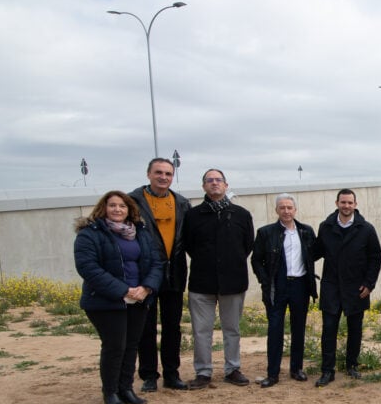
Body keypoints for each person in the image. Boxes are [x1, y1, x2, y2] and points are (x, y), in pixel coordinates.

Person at [74, 191, 164, 404]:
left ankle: (126, 389)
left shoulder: (140, 233)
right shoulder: (90, 234)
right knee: (115, 346)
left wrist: (146, 288)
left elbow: (155, 262)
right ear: (103, 208)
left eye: (122, 206)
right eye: (112, 205)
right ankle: (111, 392)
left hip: (139, 299)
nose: (117, 209)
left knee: (132, 345)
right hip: (106, 302)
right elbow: (89, 268)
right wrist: (124, 290)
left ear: (129, 209)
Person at [181, 169, 255, 389]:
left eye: (218, 180)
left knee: (231, 329)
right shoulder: (193, 216)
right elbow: (189, 245)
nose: (214, 183)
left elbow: (247, 245)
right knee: (201, 331)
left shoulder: (241, 214)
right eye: (209, 181)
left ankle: (232, 369)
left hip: (233, 282)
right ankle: (203, 372)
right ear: (203, 186)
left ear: (226, 185)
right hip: (202, 283)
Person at [129, 158, 190, 391]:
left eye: (168, 173)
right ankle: (149, 375)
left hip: (174, 273)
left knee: (172, 326)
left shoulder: (181, 203)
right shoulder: (133, 201)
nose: (163, 177)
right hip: (144, 274)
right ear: (148, 174)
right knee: (146, 326)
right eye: (158, 173)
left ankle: (172, 374)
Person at [313, 188, 381, 385]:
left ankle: (352, 365)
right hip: (331, 287)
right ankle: (327, 370)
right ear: (337, 204)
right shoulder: (325, 227)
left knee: (355, 330)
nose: (346, 206)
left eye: (350, 203)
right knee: (328, 329)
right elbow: (315, 252)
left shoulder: (366, 229)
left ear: (355, 204)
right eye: (343, 202)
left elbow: (375, 258)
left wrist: (369, 284)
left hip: (357, 289)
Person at [251, 194, 317, 388]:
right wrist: (265, 280)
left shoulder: (306, 231)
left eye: (289, 207)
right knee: (275, 330)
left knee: (298, 329)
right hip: (277, 286)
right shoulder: (266, 232)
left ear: (295, 210)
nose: (286, 211)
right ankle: (272, 374)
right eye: (282, 208)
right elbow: (256, 260)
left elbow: (315, 253)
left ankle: (296, 369)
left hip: (300, 285)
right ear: (276, 211)